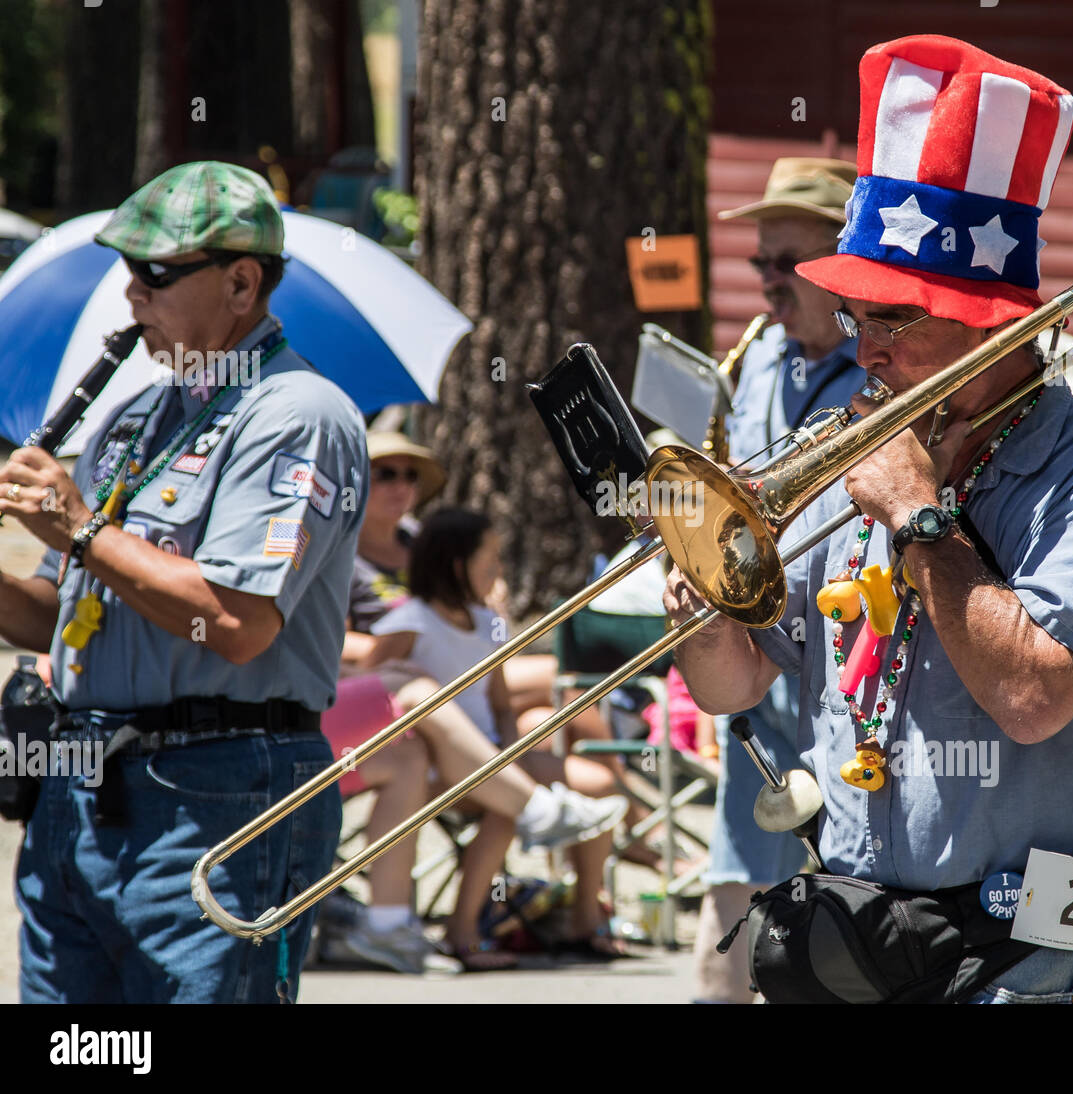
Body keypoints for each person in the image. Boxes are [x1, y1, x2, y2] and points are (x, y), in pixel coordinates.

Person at [665, 35, 1073, 1004]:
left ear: (995, 321)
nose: (863, 351)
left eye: (894, 323)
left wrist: (917, 515)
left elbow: (1032, 699)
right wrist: (703, 596)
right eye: (857, 320)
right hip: (855, 934)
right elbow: (734, 684)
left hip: (1023, 958)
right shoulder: (857, 451)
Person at [0, 161, 367, 1003]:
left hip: (220, 791)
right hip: (85, 789)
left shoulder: (297, 413)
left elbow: (235, 624)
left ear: (242, 283)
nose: (131, 294)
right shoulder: (131, 418)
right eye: (127, 269)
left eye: (155, 273)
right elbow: (59, 613)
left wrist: (82, 527)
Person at [329, 438, 627, 972]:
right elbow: (376, 688)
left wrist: (514, 745)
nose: (499, 571)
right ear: (457, 565)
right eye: (491, 560)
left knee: (598, 785)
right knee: (504, 811)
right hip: (441, 762)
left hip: (489, 753)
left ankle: (586, 916)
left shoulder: (487, 623)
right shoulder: (409, 622)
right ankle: (462, 934)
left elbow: (500, 701)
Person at [694, 157, 866, 1003]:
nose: (764, 281)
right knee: (739, 858)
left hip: (844, 651)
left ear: (838, 263)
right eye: (758, 261)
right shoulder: (759, 357)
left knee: (849, 888)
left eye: (782, 262)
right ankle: (716, 990)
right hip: (757, 652)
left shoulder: (886, 372)